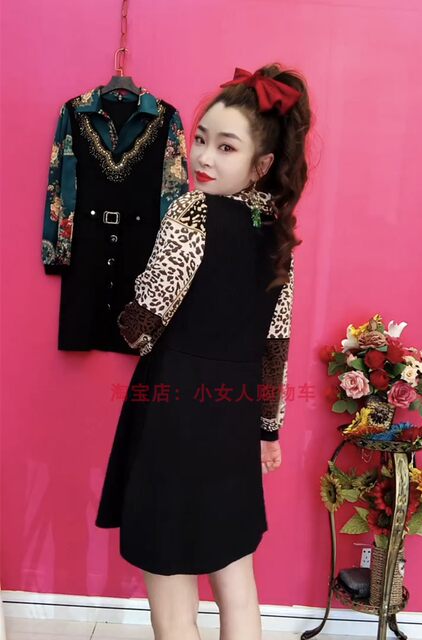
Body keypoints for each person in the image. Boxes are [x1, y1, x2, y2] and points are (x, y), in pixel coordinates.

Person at [95, 62, 312, 640]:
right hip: (234, 419)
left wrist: (118, 303)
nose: (203, 157)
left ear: (261, 164)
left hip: (173, 414)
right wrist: (268, 430)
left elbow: (141, 328)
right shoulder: (279, 238)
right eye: (200, 140)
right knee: (235, 576)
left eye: (225, 146)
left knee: (171, 579)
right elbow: (276, 347)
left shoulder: (192, 214)